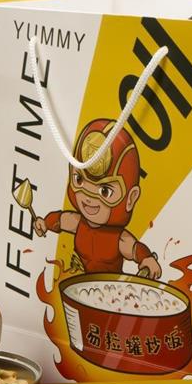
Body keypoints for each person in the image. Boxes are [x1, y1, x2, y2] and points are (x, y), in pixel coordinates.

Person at [34, 118, 161, 279]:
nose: (88, 197)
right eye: (79, 180)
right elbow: (60, 219)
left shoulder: (117, 239)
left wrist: (147, 259)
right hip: (77, 285)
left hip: (109, 291)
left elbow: (135, 249)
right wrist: (44, 223)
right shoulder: (78, 222)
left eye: (105, 191)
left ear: (130, 198)